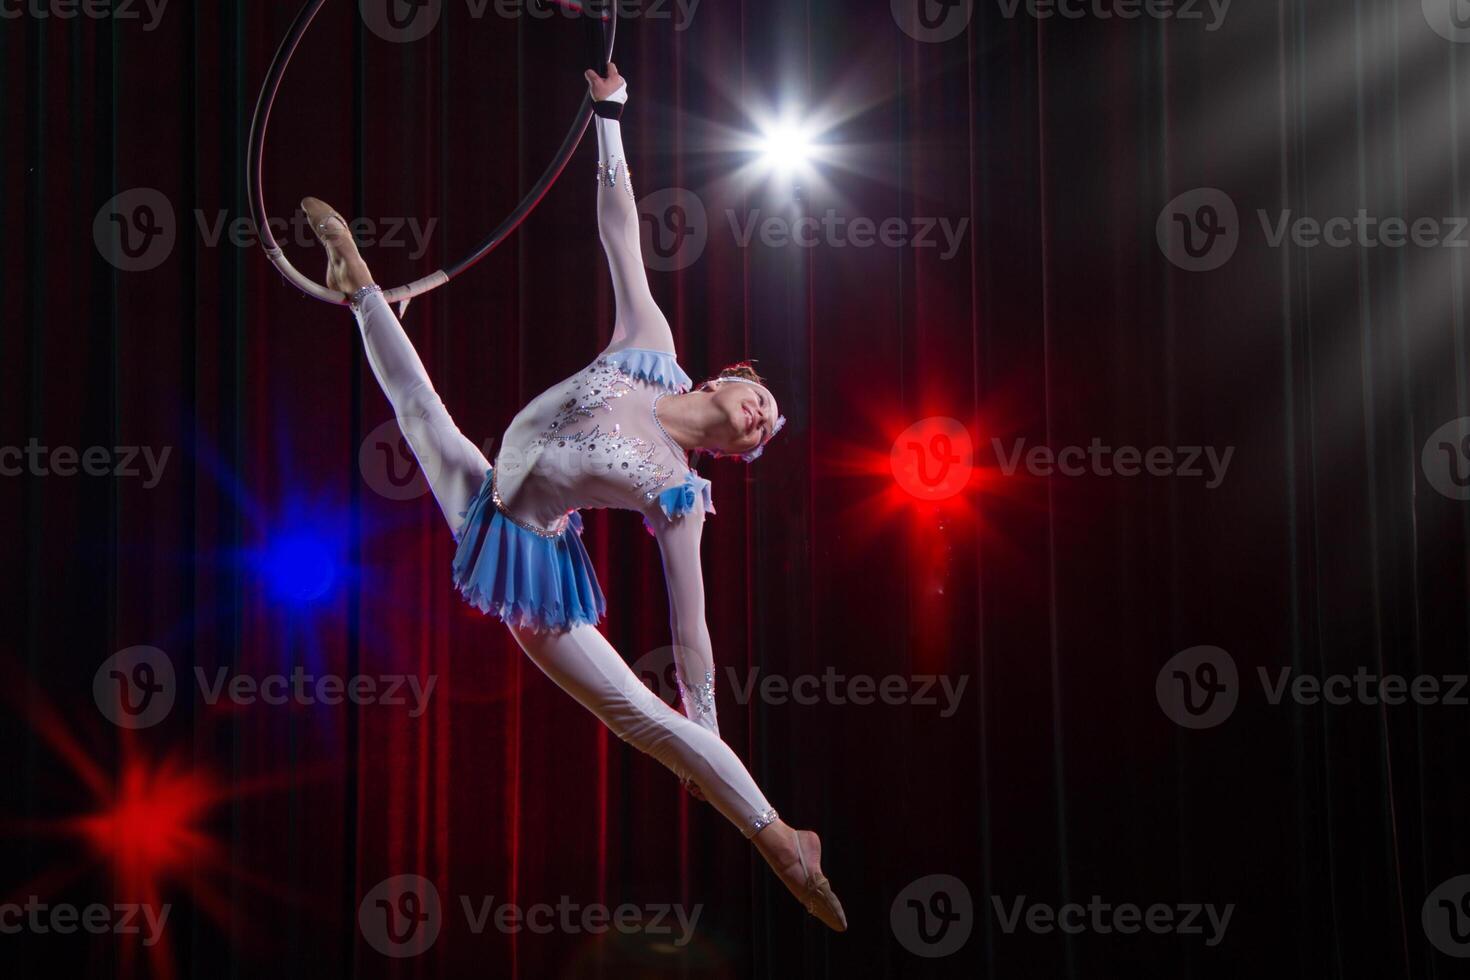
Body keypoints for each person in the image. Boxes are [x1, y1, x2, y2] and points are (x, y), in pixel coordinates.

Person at [299, 62, 845, 931]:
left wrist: (704, 746)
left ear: (740, 452)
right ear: (728, 377)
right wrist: (611, 115)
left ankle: (781, 837)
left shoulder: (680, 491)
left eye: (763, 433)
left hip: (535, 577)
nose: (760, 420)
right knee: (421, 416)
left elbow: (689, 631)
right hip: (494, 495)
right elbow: (620, 232)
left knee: (640, 717)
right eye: (762, 402)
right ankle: (359, 283)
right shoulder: (648, 345)